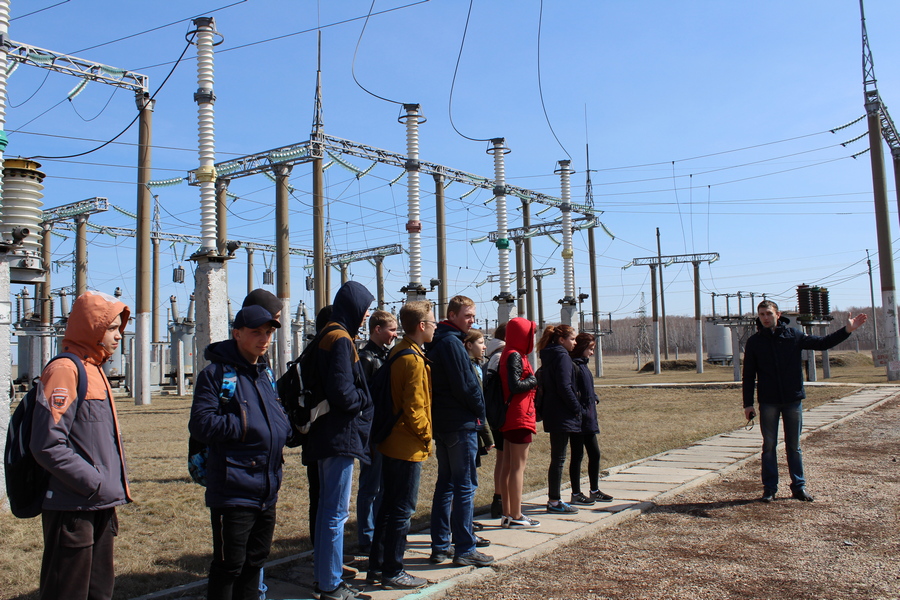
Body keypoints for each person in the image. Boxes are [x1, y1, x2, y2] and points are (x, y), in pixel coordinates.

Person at [30, 291, 131, 600]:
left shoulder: (96, 370)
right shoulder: (65, 370)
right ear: (91, 327)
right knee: (67, 591)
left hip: (98, 504)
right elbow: (47, 444)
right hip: (73, 507)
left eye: (119, 328)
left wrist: (103, 489)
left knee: (98, 591)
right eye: (112, 328)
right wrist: (94, 482)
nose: (119, 336)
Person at [189, 303, 291, 600]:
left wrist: (282, 428)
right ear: (236, 334)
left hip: (266, 488)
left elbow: (274, 413)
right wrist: (246, 426)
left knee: (255, 563)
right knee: (229, 566)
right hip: (233, 488)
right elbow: (202, 424)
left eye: (269, 332)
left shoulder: (264, 373)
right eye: (256, 332)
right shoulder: (217, 374)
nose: (264, 338)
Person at [742, 300, 867, 503]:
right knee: (769, 446)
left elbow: (822, 343)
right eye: (762, 314)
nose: (765, 318)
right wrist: (748, 404)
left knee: (794, 446)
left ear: (778, 314)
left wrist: (847, 330)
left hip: (792, 400)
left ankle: (798, 487)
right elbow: (748, 375)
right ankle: (769, 489)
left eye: (769, 314)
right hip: (768, 402)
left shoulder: (794, 336)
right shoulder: (754, 342)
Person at [306, 281, 374, 600]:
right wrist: (364, 396)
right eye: (365, 308)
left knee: (326, 511)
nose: (367, 315)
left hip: (325, 434)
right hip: (339, 435)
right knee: (336, 513)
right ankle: (331, 584)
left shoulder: (327, 334)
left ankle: (325, 577)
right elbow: (343, 392)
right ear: (354, 307)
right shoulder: (341, 339)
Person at [367, 301, 435, 590]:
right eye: (432, 322)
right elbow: (415, 407)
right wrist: (427, 436)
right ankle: (393, 570)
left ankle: (378, 565)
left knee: (387, 506)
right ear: (421, 326)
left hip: (391, 441)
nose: (435, 326)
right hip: (406, 444)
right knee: (402, 509)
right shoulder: (413, 360)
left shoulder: (399, 351)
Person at [426, 295, 494, 568]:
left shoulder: (437, 341)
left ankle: (440, 545)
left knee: (446, 485)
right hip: (459, 423)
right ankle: (465, 547)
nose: (472, 320)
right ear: (452, 315)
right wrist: (480, 411)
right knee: (464, 486)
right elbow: (466, 385)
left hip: (443, 423)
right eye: (468, 316)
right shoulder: (453, 344)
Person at [356, 310, 398, 555]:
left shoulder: (386, 355)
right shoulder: (366, 358)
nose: (394, 334)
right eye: (391, 330)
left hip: (385, 427)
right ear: (377, 329)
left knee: (383, 484)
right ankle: (366, 536)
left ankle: (378, 532)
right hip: (372, 429)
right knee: (371, 484)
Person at [497, 317, 541, 529]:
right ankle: (516, 514)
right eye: (530, 333)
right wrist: (534, 380)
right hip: (519, 415)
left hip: (511, 415)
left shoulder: (509, 353)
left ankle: (507, 513)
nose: (531, 338)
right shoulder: (515, 355)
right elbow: (516, 385)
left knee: (508, 465)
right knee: (518, 467)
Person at [536, 324, 582, 514]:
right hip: (561, 413)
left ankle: (554, 498)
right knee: (559, 458)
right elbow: (564, 386)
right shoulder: (562, 356)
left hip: (553, 411)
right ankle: (554, 501)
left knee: (557, 457)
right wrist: (577, 407)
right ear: (561, 340)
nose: (575, 342)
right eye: (572, 339)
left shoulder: (549, 355)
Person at [568, 333, 613, 505]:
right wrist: (580, 409)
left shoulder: (584, 366)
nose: (592, 353)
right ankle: (576, 493)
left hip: (588, 418)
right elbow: (572, 391)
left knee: (594, 454)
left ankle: (594, 490)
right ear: (582, 348)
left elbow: (588, 389)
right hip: (579, 419)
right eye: (590, 349)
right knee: (577, 455)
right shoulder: (574, 366)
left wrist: (595, 397)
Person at [484, 323, 507, 520]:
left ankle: (500, 500)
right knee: (505, 459)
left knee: (503, 458)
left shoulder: (494, 355)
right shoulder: (501, 357)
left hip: (496, 414)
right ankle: (501, 500)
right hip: (502, 414)